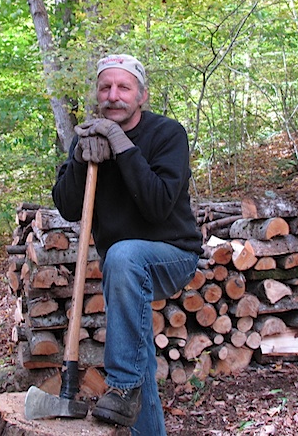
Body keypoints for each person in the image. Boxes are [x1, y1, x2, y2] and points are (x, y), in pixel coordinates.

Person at [52, 54, 202, 435]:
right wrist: (81, 158)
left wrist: (123, 147)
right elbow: (69, 208)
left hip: (171, 254)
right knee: (141, 363)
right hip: (125, 268)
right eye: (105, 87)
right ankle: (140, 411)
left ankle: (121, 384)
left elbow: (157, 206)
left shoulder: (168, 135)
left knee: (122, 255)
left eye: (123, 88)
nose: (113, 96)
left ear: (141, 96)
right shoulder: (86, 137)